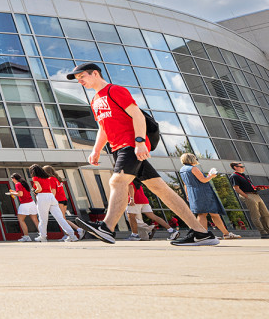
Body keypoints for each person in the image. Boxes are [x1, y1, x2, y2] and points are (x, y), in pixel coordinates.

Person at [68, 63, 218, 246]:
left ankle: (106, 228)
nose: (80, 81)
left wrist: (139, 142)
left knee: (117, 181)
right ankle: (202, 233)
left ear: (95, 73)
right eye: (78, 79)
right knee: (161, 189)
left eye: (82, 76)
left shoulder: (115, 90)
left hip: (131, 145)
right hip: (118, 147)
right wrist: (96, 150)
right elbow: (103, 128)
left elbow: (137, 116)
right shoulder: (94, 101)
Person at [179, 154, 239, 239]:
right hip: (203, 192)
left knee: (211, 213)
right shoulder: (193, 168)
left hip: (193, 193)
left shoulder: (182, 170)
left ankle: (225, 234)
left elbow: (185, 183)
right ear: (192, 159)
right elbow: (203, 180)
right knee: (204, 214)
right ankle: (205, 235)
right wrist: (211, 176)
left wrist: (187, 194)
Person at [30, 165, 78, 242]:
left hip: (43, 197)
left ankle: (43, 236)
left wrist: (34, 191)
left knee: (43, 219)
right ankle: (72, 235)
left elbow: (39, 189)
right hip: (51, 197)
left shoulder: (35, 178)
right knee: (60, 218)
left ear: (33, 172)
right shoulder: (46, 178)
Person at [42, 165, 85, 240]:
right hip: (63, 200)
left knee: (61, 219)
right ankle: (69, 234)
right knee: (62, 219)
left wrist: (49, 202)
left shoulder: (50, 179)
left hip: (58, 200)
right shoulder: (57, 179)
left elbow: (53, 192)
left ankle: (77, 231)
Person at [231, 162, 269, 239]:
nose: (243, 168)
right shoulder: (234, 176)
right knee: (256, 215)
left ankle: (267, 231)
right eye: (241, 166)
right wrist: (246, 196)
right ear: (235, 167)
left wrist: (258, 188)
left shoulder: (244, 176)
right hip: (248, 195)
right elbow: (236, 188)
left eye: (243, 166)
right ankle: (263, 232)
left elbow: (249, 186)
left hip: (255, 194)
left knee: (266, 214)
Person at [4, 175, 38, 242]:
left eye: (12, 179)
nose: (12, 181)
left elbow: (20, 194)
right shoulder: (23, 183)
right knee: (35, 220)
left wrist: (11, 193)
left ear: (14, 178)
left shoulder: (17, 184)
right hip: (31, 203)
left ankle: (26, 236)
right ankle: (42, 235)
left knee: (21, 220)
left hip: (25, 204)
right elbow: (22, 193)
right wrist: (14, 192)